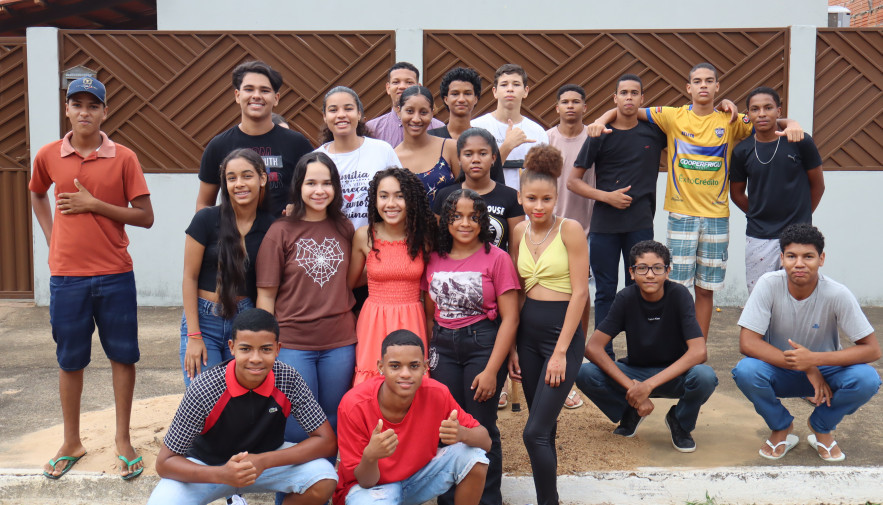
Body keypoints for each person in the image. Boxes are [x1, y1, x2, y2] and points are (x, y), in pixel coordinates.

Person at [587, 62, 804, 339]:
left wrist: (793, 123)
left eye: (709, 81)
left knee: (705, 290)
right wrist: (600, 121)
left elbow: (766, 121)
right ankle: (677, 347)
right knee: (676, 288)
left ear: (717, 86)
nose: (703, 85)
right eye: (698, 81)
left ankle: (698, 348)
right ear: (688, 88)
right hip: (681, 216)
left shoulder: (730, 120)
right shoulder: (672, 116)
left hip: (716, 218)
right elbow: (626, 109)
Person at [30, 77, 154, 481]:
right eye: (77, 104)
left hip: (115, 274)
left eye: (92, 105)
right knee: (70, 360)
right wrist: (52, 238)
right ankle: (71, 442)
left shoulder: (124, 157)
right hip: (67, 276)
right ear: (67, 109)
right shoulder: (48, 155)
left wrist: (94, 204)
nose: (84, 112)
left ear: (104, 111)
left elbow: (145, 217)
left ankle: (123, 439)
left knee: (123, 356)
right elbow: (36, 193)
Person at [147, 308, 338, 505]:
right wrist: (222, 473)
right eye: (246, 349)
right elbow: (165, 462)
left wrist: (264, 460)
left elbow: (327, 441)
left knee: (324, 478)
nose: (255, 358)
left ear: (278, 349)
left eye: (266, 349)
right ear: (232, 347)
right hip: (210, 466)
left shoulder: (288, 379)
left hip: (265, 462)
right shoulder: (205, 388)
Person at [732, 224, 881, 462]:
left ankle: (822, 426)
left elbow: (872, 349)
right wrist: (807, 366)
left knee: (867, 379)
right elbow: (748, 343)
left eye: (808, 256)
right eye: (792, 256)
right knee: (746, 371)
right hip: (780, 369)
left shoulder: (837, 293)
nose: (799, 263)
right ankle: (781, 426)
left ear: (821, 259)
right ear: (782, 258)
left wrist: (815, 360)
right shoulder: (768, 284)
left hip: (827, 374)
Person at [422, 189, 520, 505]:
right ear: (446, 221)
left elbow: (510, 318)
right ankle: (450, 499)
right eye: (457, 216)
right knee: (446, 425)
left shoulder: (497, 258)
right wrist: (426, 356)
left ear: (483, 221)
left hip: (482, 345)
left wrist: (492, 370)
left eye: (473, 217)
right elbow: (428, 313)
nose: (465, 223)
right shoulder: (434, 258)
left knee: (480, 426)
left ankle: (488, 499)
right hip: (442, 348)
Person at [575, 240, 717, 453]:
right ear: (632, 273)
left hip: (674, 375)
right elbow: (593, 347)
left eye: (657, 268)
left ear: (667, 271)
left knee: (705, 376)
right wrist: (634, 390)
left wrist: (648, 386)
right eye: (642, 268)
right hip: (636, 373)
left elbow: (699, 351)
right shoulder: (626, 298)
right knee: (584, 373)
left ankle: (680, 421)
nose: (650, 275)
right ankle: (630, 411)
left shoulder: (679, 295)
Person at [256, 152, 356, 447]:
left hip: (339, 342)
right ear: (298, 186)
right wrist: (267, 344)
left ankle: (326, 476)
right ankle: (295, 478)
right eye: (311, 183)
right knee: (299, 423)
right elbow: (266, 295)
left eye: (326, 183)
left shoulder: (344, 227)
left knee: (334, 417)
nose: (319, 190)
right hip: (293, 343)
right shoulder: (281, 231)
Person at [508, 145, 588, 505]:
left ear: (557, 197)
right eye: (531, 199)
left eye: (546, 199)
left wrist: (560, 353)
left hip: (562, 337)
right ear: (520, 196)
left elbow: (581, 293)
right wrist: (512, 346)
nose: (538, 206)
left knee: (533, 432)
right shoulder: (518, 232)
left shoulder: (570, 230)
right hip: (527, 337)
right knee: (545, 429)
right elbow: (517, 292)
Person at [570, 74, 667, 359]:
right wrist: (606, 197)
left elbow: (689, 125)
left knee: (641, 287)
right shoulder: (600, 134)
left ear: (642, 99)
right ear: (615, 98)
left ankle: (640, 353)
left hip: (640, 224)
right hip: (605, 225)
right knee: (605, 291)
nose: (628, 97)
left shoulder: (654, 133)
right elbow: (573, 181)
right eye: (623, 93)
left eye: (634, 93)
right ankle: (604, 354)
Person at [334, 330, 490, 505]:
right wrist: (371, 456)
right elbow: (365, 481)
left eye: (414, 366)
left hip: (416, 479)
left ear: (425, 367)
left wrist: (462, 434)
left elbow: (486, 442)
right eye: (395, 366)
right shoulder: (354, 405)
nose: (405, 374)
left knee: (474, 457)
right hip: (370, 490)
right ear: (380, 367)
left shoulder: (437, 393)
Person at [180, 149, 275, 386]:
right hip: (204, 320)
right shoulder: (205, 219)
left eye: (247, 176)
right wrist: (194, 336)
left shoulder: (271, 226)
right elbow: (189, 277)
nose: (239, 184)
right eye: (231, 178)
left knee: (242, 395)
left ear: (262, 178)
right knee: (204, 395)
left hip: (246, 318)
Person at [730, 87, 825, 293]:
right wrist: (757, 213)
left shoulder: (800, 142)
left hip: (798, 235)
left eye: (768, 108)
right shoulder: (742, 151)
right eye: (755, 109)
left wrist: (802, 215)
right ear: (748, 114)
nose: (762, 114)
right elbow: (736, 194)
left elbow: (818, 185)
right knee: (760, 295)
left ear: (779, 111)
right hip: (759, 236)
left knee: (799, 294)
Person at [348, 168, 437, 385]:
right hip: (374, 320)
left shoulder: (423, 238)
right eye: (384, 196)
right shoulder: (364, 236)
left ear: (411, 200)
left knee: (410, 382)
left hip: (412, 318)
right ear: (375, 200)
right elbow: (349, 284)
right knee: (371, 383)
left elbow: (430, 288)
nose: (391, 204)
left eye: (399, 196)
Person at [195, 61, 313, 217]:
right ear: (238, 96)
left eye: (264, 90)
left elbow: (316, 190)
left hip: (284, 231)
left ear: (276, 98)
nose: (256, 96)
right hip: (233, 231)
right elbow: (204, 204)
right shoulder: (218, 145)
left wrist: (299, 210)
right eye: (249, 89)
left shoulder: (297, 144)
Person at [314, 86, 401, 230]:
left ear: (359, 113)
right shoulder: (316, 158)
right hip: (332, 239)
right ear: (324, 116)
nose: (341, 115)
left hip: (376, 238)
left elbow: (401, 192)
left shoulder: (382, 150)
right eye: (333, 110)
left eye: (348, 109)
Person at [434, 128, 524, 252]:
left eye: (483, 154)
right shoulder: (444, 195)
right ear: (459, 158)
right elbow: (437, 245)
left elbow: (516, 251)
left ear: (493, 158)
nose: (475, 160)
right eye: (468, 154)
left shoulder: (511, 197)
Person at [471, 63, 549, 190]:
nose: (510, 89)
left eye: (516, 84)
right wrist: (507, 145)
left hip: (524, 200)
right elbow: (472, 175)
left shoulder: (538, 132)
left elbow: (544, 179)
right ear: (495, 92)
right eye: (504, 84)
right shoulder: (476, 127)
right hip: (485, 198)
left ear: (526, 91)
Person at [429, 67, 505, 185]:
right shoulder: (431, 138)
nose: (461, 99)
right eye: (455, 94)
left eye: (467, 93)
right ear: (446, 99)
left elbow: (497, 185)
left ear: (476, 99)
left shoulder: (486, 139)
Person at [393, 86, 460, 207]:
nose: (416, 119)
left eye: (423, 112)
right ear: (399, 111)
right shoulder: (392, 157)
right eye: (410, 111)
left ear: (432, 112)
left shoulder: (450, 148)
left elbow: (467, 192)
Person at [366, 62, 444, 147]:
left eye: (409, 82)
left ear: (418, 87)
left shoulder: (438, 128)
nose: (402, 86)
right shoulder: (373, 129)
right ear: (388, 88)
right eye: (396, 82)